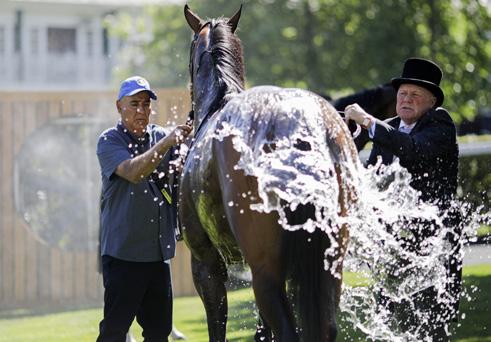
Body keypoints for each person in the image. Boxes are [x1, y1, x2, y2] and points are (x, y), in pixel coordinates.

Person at [344, 58, 461, 341]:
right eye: (402, 94)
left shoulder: (439, 122)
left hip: (433, 250)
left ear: (431, 102)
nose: (406, 99)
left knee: (429, 328)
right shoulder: (388, 127)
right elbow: (372, 180)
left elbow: (412, 149)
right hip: (392, 251)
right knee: (386, 328)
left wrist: (368, 121)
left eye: (415, 95)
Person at [96, 76, 192, 342]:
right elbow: (133, 172)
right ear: (119, 106)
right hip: (123, 256)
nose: (142, 110)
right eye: (134, 104)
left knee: (159, 334)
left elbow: (183, 173)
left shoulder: (161, 136)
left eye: (146, 105)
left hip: (158, 256)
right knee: (114, 333)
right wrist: (168, 143)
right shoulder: (109, 140)